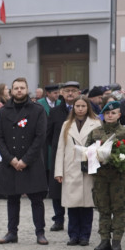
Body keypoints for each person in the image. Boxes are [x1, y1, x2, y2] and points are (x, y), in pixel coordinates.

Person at [0, 77, 50, 245]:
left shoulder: (37, 110)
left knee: (36, 200)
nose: (19, 90)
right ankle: (12, 232)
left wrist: (25, 160)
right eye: (16, 88)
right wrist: (11, 159)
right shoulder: (4, 111)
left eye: (22, 88)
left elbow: (40, 137)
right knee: (12, 199)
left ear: (27, 90)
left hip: (31, 162)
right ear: (11, 91)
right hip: (10, 161)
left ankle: (40, 233)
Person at [87, 101, 125, 250]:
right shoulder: (95, 133)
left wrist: (121, 159)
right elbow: (87, 152)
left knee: (119, 209)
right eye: (107, 113)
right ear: (103, 115)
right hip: (101, 178)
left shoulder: (124, 132)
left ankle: (116, 241)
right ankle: (104, 240)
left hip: (119, 178)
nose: (110, 115)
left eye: (113, 113)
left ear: (119, 115)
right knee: (103, 209)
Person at [53, 95, 100, 246]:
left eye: (83, 106)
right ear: (73, 108)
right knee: (72, 205)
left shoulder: (96, 123)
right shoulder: (67, 124)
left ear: (88, 107)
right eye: (77, 106)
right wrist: (59, 171)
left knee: (87, 205)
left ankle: (85, 235)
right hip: (71, 167)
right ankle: (73, 235)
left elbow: (100, 145)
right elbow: (60, 148)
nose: (80, 109)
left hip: (88, 166)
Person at [44, 81, 82, 232]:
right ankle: (58, 219)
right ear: (62, 93)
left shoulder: (83, 110)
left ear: (78, 93)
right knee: (57, 188)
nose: (70, 94)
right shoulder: (54, 112)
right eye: (67, 91)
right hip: (59, 154)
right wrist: (57, 147)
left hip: (78, 154)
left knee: (76, 186)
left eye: (73, 91)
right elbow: (48, 134)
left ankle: (77, 219)